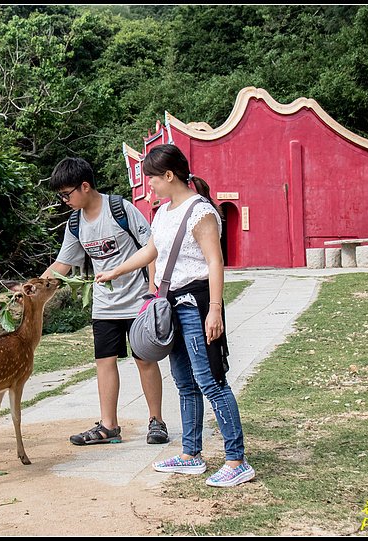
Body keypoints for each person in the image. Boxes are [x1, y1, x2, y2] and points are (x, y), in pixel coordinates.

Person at [95, 143, 255, 488]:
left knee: (211, 381)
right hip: (171, 305)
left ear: (169, 175)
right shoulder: (164, 212)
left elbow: (215, 262)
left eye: (151, 178)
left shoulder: (201, 212)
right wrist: (116, 271)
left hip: (197, 304)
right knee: (184, 383)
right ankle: (191, 455)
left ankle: (236, 459)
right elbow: (153, 250)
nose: (148, 185)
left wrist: (215, 310)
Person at [41, 157, 170, 446]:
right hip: (104, 305)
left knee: (145, 361)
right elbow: (62, 264)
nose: (64, 201)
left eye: (66, 194)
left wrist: (152, 291)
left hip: (138, 302)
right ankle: (109, 425)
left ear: (84, 186)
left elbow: (152, 248)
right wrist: (34, 287)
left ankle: (156, 421)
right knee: (104, 362)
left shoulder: (120, 209)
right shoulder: (75, 223)